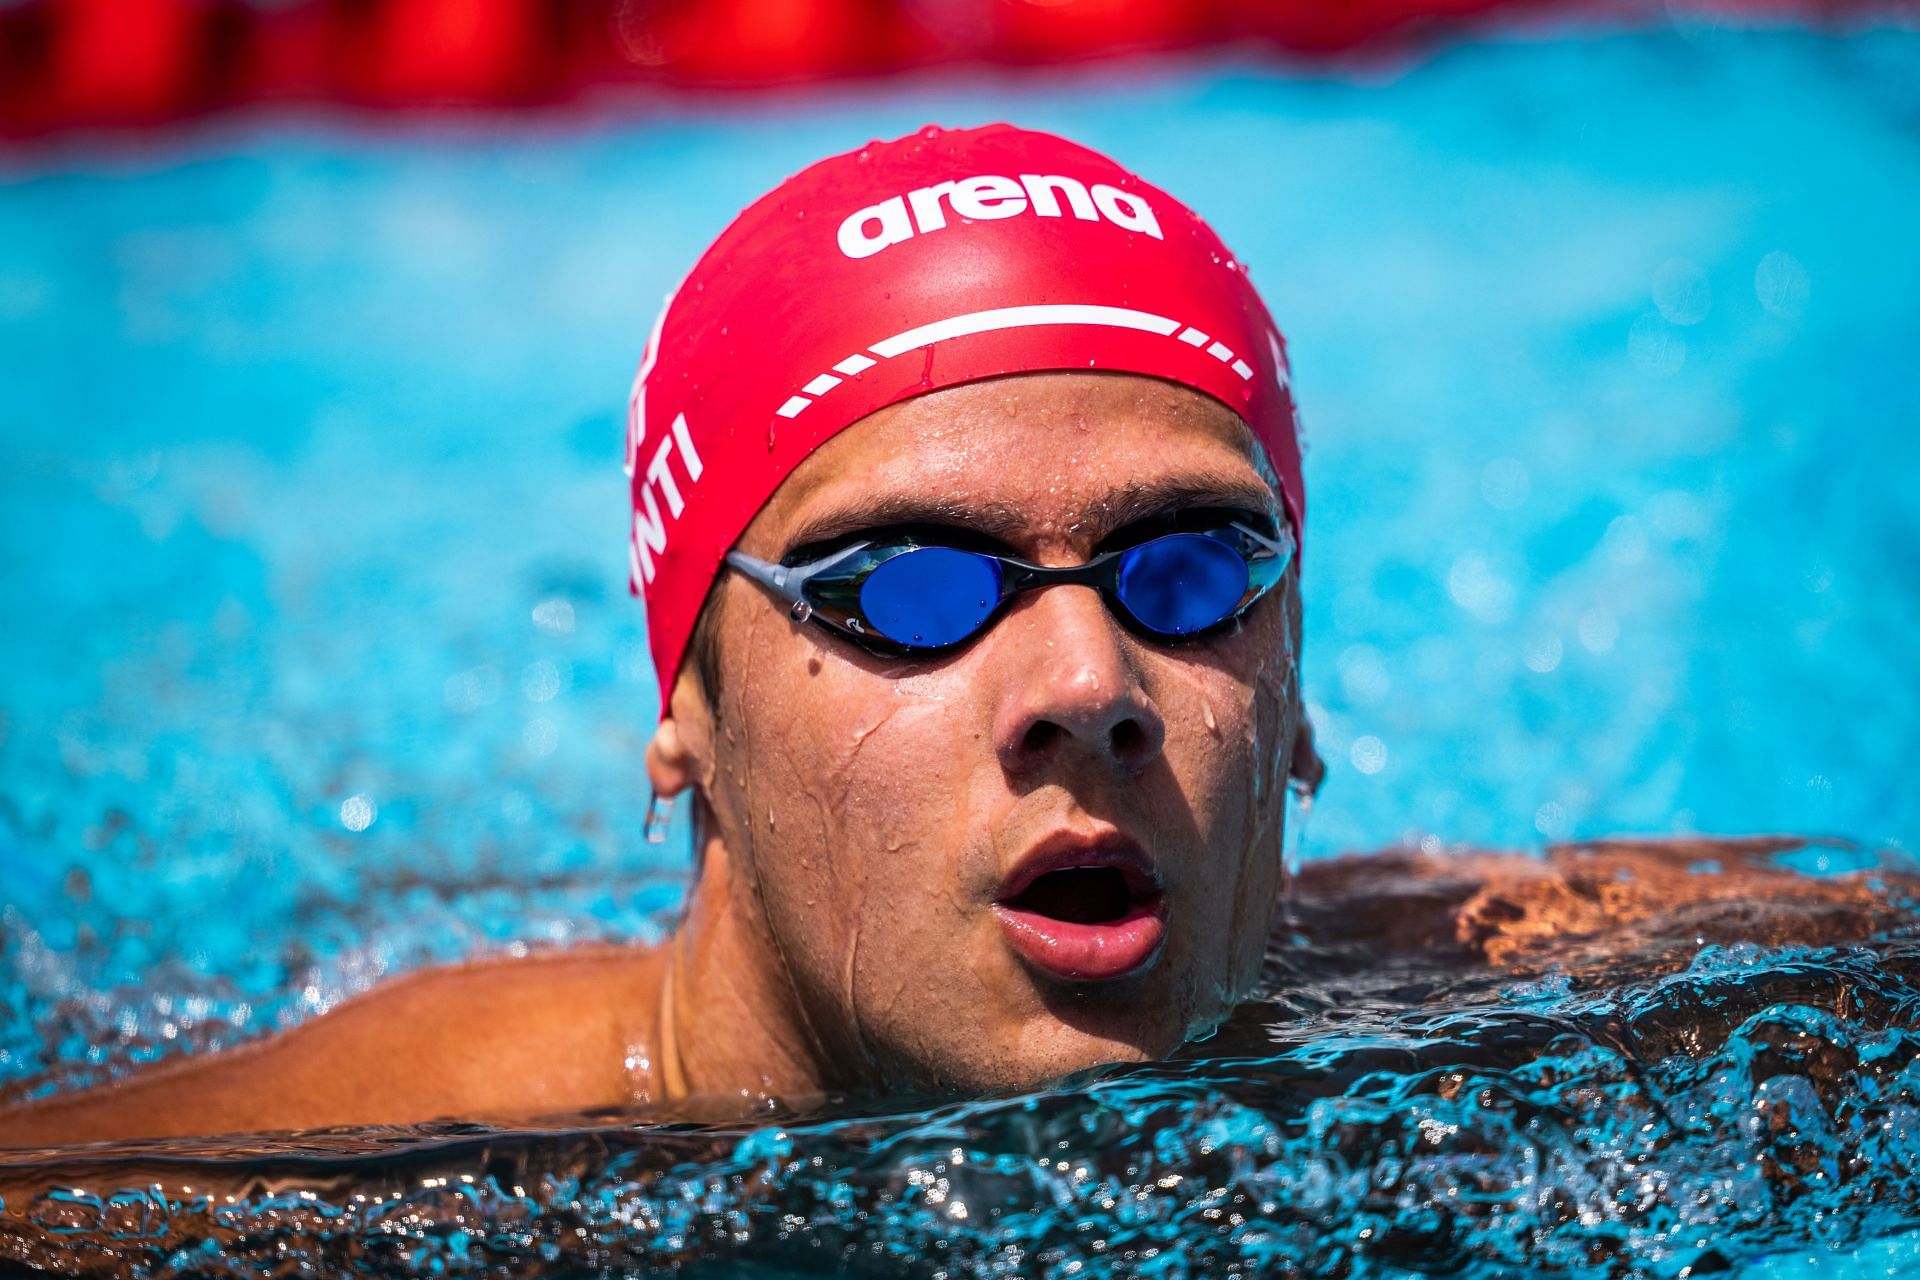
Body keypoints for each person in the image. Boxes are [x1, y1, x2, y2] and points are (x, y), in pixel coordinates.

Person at [20, 124, 1853, 1149]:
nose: (1087, 690)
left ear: (1296, 692)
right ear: (688, 713)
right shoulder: (362, 1166)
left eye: (1189, 573)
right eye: (908, 587)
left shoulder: (1520, 993)